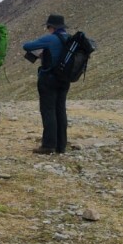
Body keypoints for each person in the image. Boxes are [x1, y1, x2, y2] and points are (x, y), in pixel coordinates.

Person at [22, 13, 71, 154]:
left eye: (48, 27)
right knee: (60, 110)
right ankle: (61, 146)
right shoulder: (69, 39)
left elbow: (27, 46)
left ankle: (49, 145)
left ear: (51, 27)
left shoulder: (50, 39)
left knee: (48, 111)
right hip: (65, 79)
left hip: (49, 79)